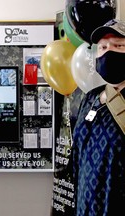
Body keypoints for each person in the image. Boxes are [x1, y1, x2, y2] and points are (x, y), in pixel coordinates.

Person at [72, 19, 125, 216]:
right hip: (86, 206)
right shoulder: (90, 98)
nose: (108, 51)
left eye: (118, 45)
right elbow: (77, 157)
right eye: (103, 47)